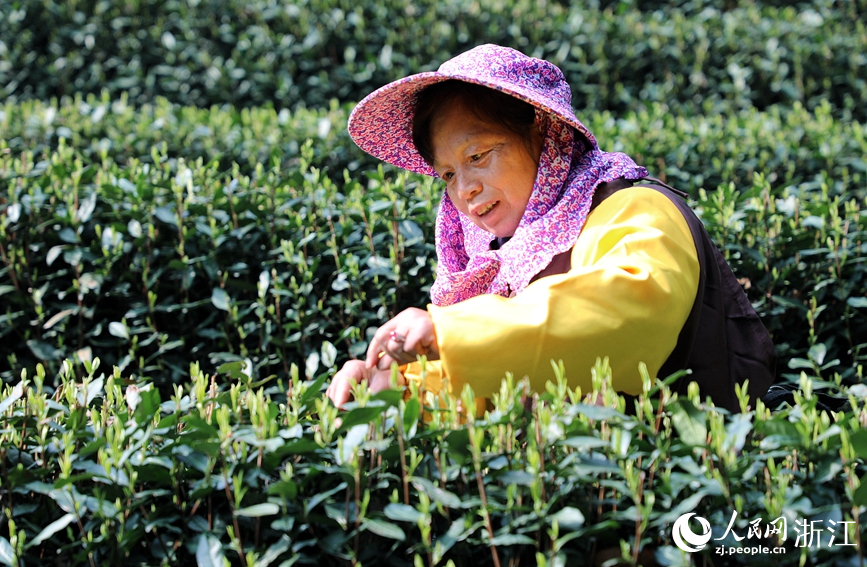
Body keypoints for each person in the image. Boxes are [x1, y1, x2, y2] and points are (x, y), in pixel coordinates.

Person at [326, 44, 776, 413]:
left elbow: (619, 316)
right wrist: (391, 389)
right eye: (446, 173)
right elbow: (490, 385)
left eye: (477, 156)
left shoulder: (638, 208)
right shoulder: (503, 260)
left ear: (545, 134)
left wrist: (449, 333)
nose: (463, 189)